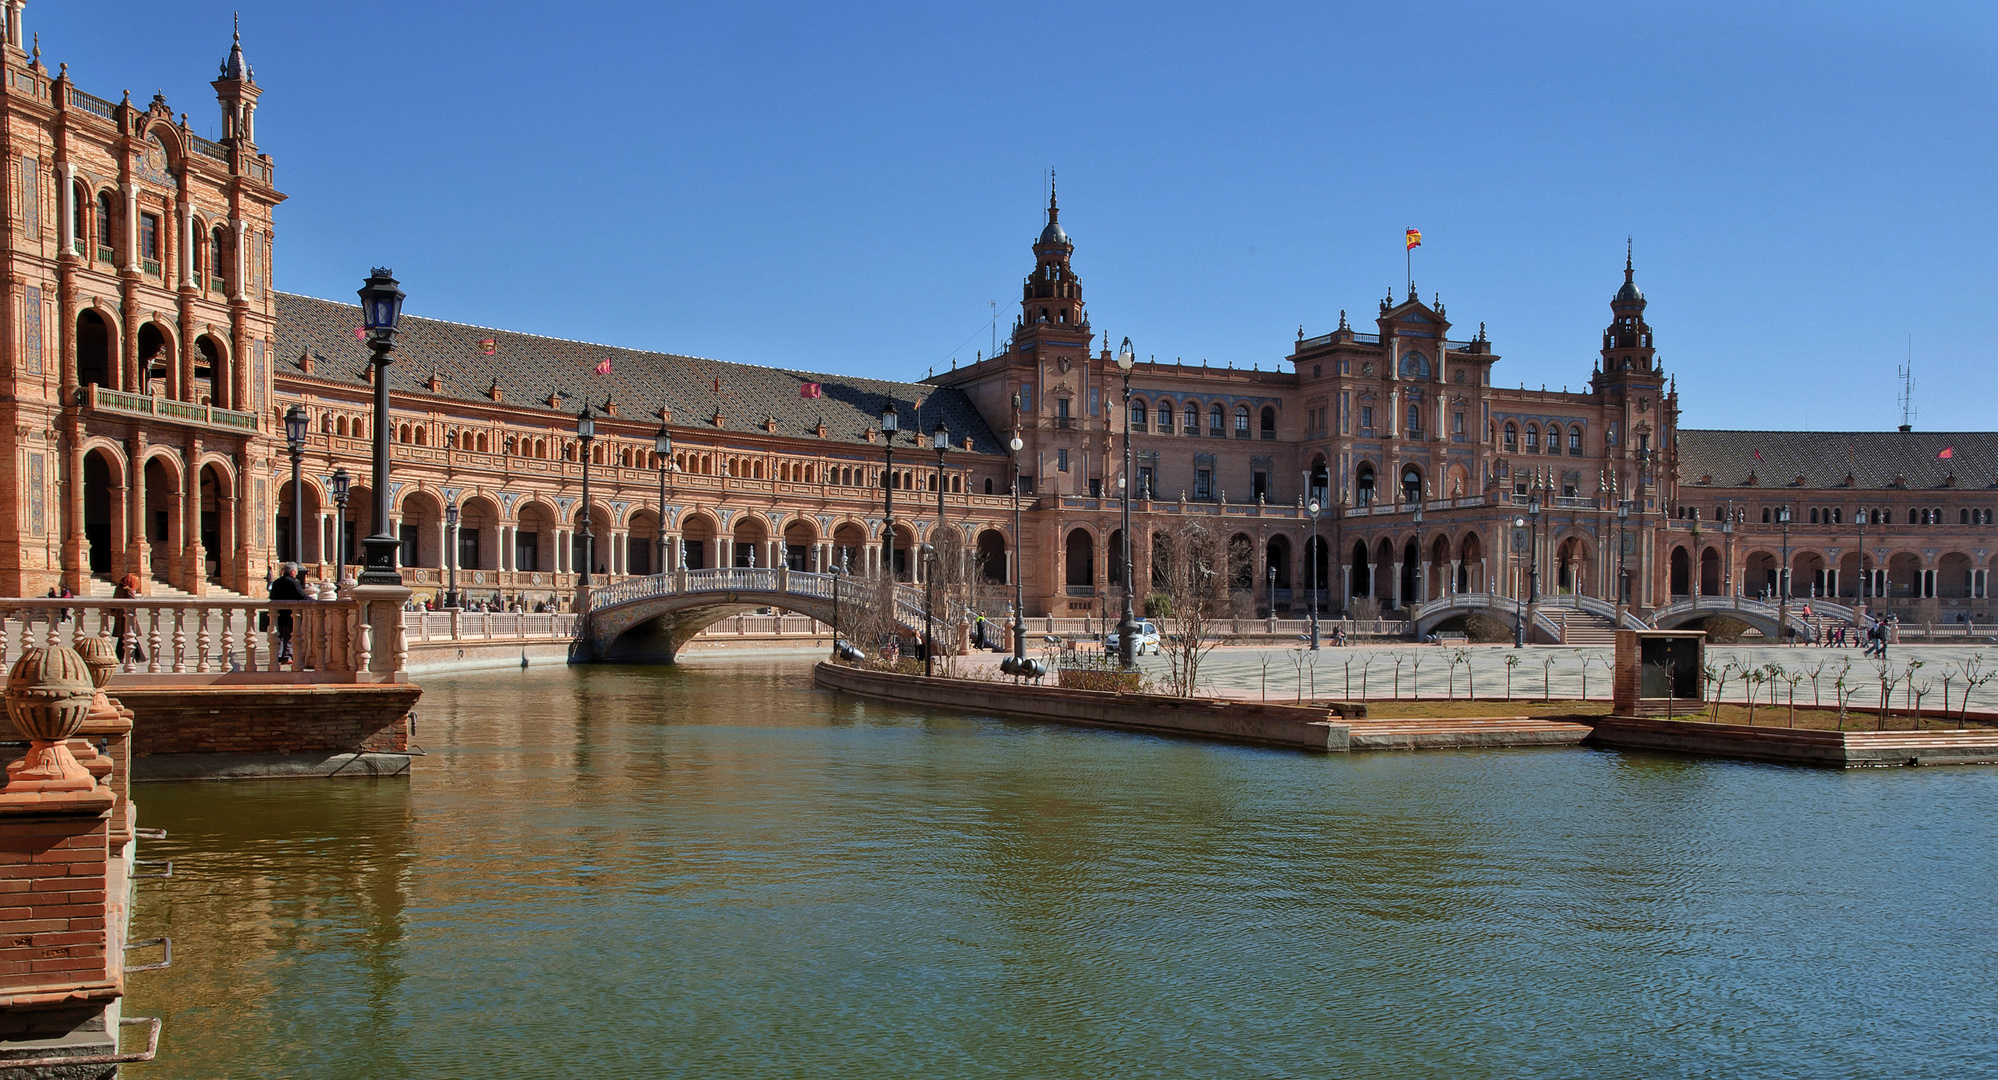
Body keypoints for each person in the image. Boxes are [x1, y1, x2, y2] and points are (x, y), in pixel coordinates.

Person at [268, 562, 310, 664]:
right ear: (292, 572)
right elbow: (302, 596)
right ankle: (286, 656)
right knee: (288, 636)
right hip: (289, 614)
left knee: (279, 636)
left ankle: (276, 656)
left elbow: (272, 596)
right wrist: (315, 601)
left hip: (277, 613)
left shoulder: (277, 582)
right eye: (295, 572)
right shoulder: (292, 582)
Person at [111, 573, 146, 663]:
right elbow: (132, 604)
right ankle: (139, 657)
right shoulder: (128, 591)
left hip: (119, 615)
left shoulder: (118, 588)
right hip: (127, 616)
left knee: (123, 636)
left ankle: (121, 656)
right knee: (130, 635)